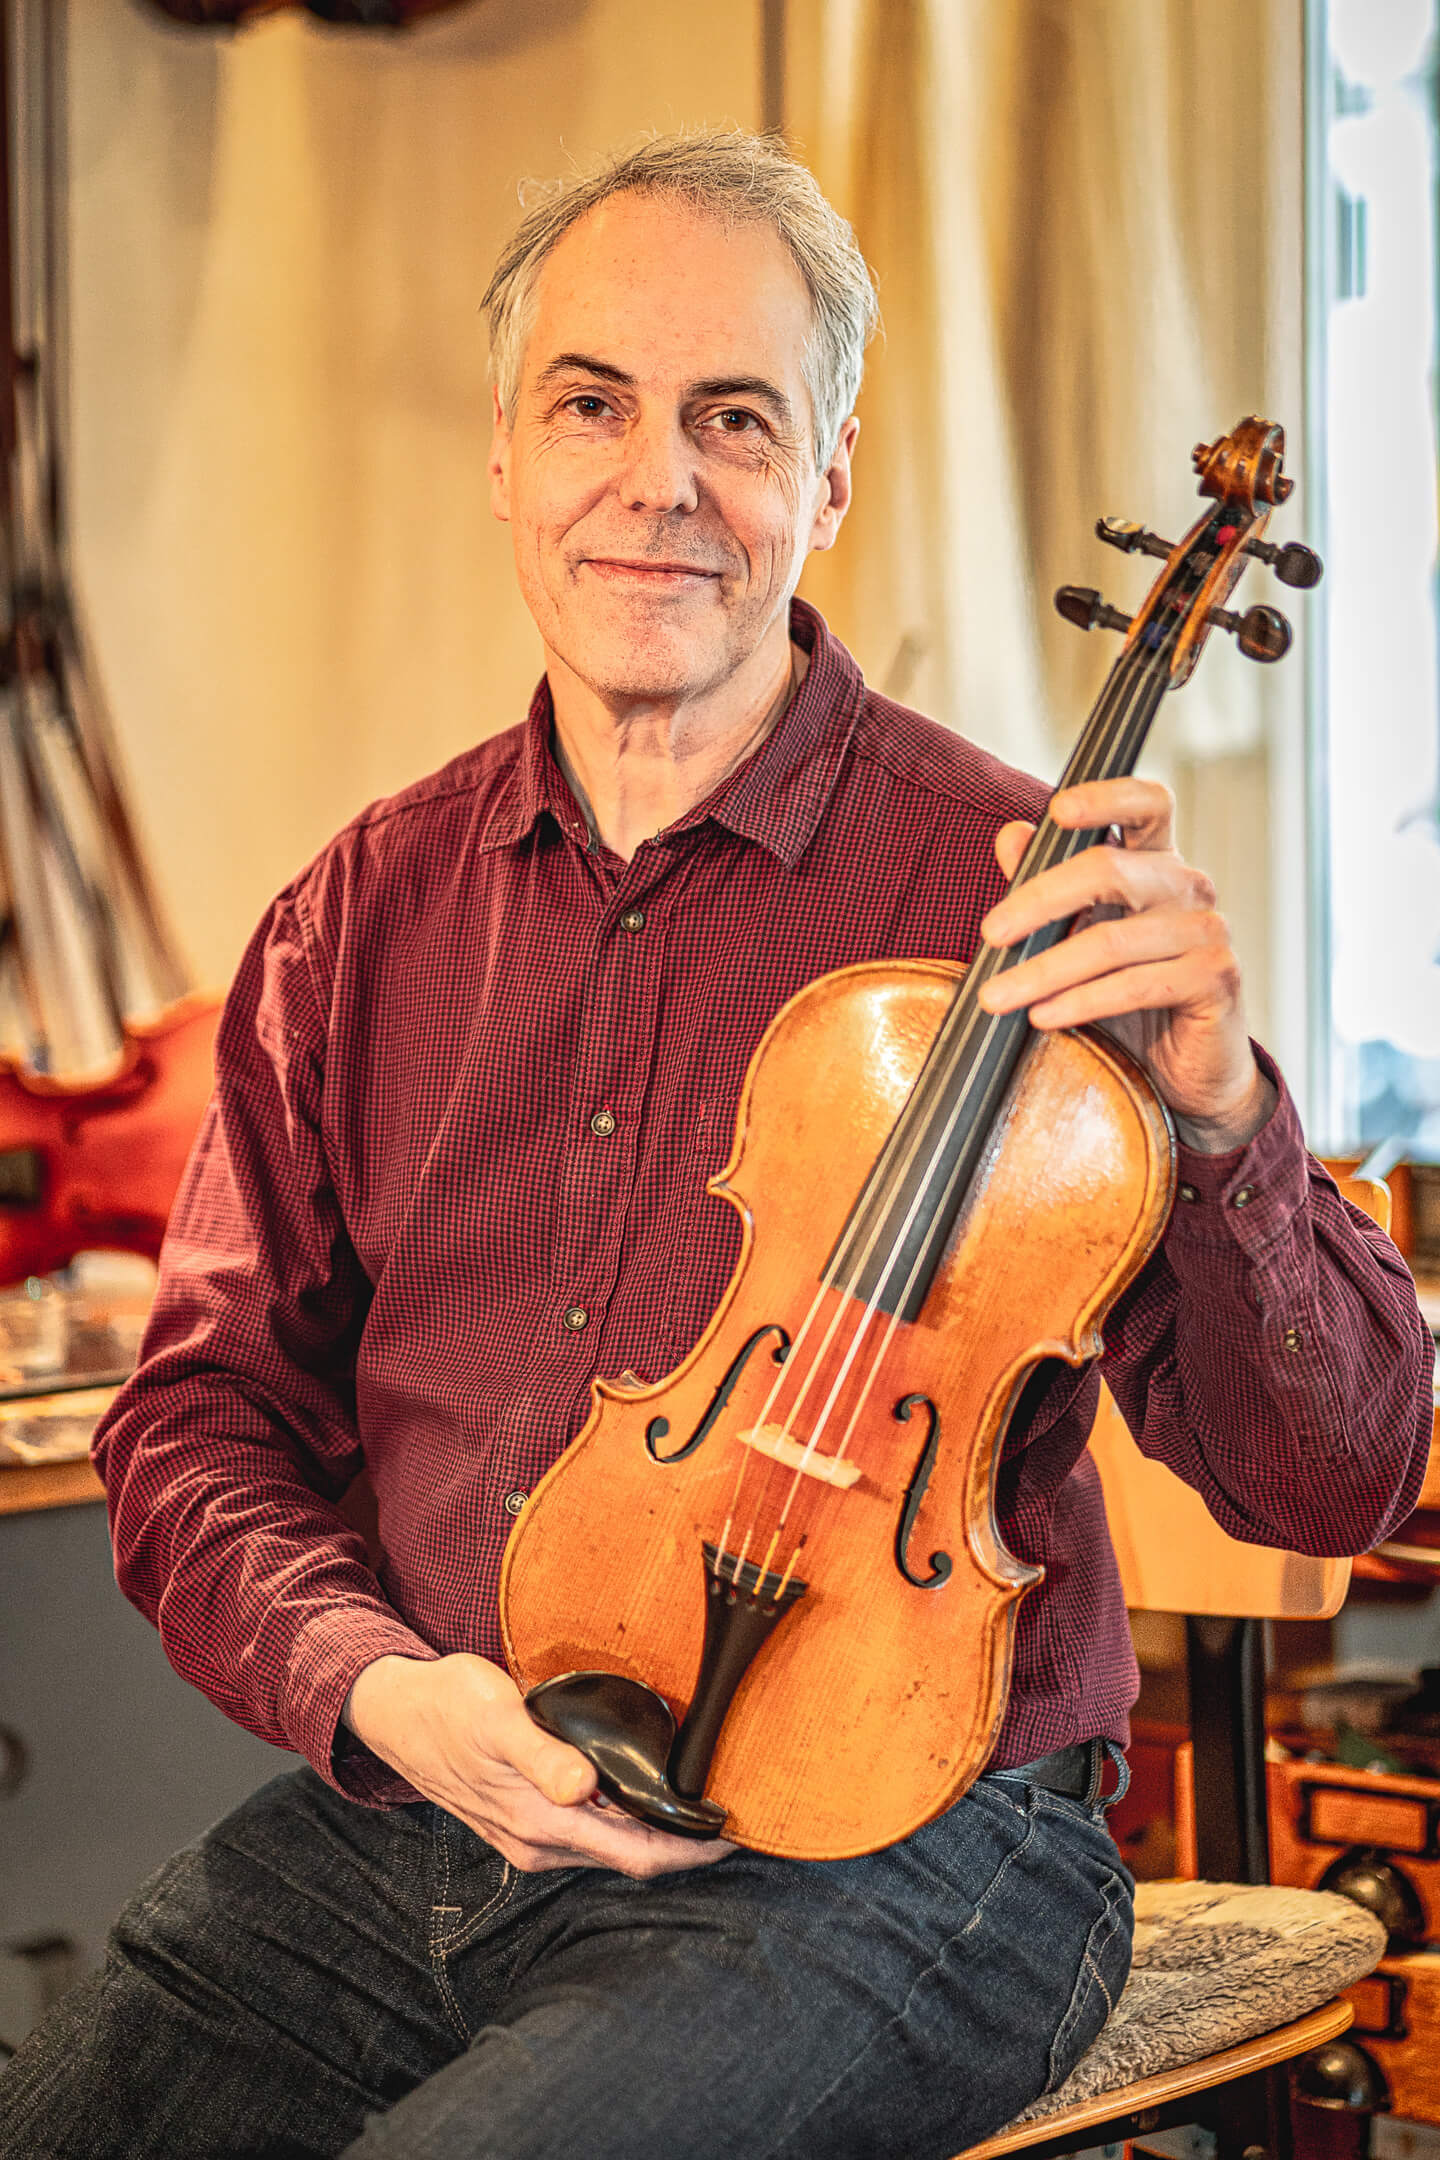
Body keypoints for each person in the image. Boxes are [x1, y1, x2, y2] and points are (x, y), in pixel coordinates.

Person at [1, 129, 1431, 2160]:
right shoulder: (360, 918)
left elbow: (1334, 1476)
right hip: (434, 1802)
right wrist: (382, 1690)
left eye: (733, 418)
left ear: (828, 477)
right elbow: (192, 1423)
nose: (657, 479)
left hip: (902, 1856)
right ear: (508, 451)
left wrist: (1217, 1113)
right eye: (592, 403)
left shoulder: (1030, 900)